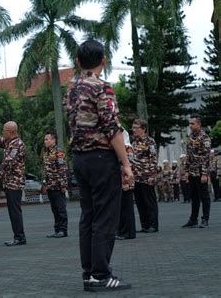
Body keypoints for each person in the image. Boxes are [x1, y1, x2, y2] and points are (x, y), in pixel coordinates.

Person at [66, 39, 133, 292]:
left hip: (80, 159)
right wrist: (126, 164)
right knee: (105, 218)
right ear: (104, 61)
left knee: (88, 216)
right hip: (101, 159)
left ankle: (89, 273)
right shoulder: (102, 89)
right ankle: (101, 274)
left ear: (77, 61)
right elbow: (112, 129)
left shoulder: (71, 89)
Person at [182, 116, 211, 228]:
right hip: (192, 172)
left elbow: (206, 157)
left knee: (204, 196)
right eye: (189, 123)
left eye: (192, 123)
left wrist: (204, 173)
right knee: (194, 196)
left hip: (200, 172)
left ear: (199, 124)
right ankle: (193, 219)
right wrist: (187, 171)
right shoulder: (190, 137)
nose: (190, 125)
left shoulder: (204, 138)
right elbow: (188, 156)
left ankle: (205, 219)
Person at [131, 118, 158, 233]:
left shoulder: (150, 142)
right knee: (140, 202)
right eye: (133, 128)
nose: (134, 130)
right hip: (136, 177)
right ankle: (145, 225)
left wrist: (152, 175)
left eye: (136, 128)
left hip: (147, 176)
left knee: (149, 202)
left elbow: (154, 159)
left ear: (143, 129)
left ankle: (153, 225)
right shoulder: (134, 143)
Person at [41, 131, 68, 238]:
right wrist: (44, 184)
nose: (45, 141)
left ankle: (63, 230)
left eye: (47, 139)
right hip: (50, 186)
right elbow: (46, 171)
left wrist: (63, 185)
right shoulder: (46, 153)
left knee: (61, 209)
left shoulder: (58, 152)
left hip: (58, 185)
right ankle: (57, 230)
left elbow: (62, 169)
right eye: (45, 139)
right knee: (54, 209)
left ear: (54, 140)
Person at [116, 130, 136, 240]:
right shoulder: (121, 148)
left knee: (126, 207)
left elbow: (129, 165)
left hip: (126, 182)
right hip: (120, 181)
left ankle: (127, 232)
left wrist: (125, 182)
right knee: (121, 207)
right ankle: (123, 231)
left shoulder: (127, 148)